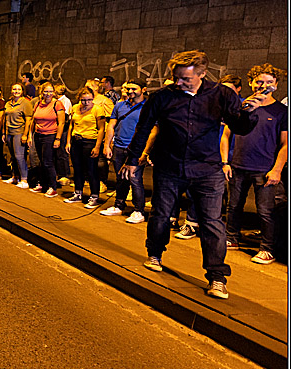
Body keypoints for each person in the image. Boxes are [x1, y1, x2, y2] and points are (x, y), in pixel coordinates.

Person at [122, 50, 260, 300]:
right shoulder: (162, 97)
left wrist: (248, 113)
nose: (178, 83)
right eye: (176, 78)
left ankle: (217, 277)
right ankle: (155, 253)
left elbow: (239, 127)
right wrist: (133, 160)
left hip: (207, 169)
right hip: (170, 166)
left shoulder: (221, 95)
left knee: (212, 224)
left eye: (185, 79)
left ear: (202, 74)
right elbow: (143, 128)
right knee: (162, 214)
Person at [222, 64, 287, 264]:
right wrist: (225, 162)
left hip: (264, 169)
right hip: (238, 166)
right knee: (233, 206)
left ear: (276, 85)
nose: (263, 86)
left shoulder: (281, 111)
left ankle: (267, 249)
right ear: (251, 83)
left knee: (266, 211)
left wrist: (276, 170)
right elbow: (226, 135)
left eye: (269, 82)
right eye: (259, 81)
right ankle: (231, 238)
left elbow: (286, 144)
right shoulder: (241, 106)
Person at [100, 79, 151, 223]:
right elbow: (111, 126)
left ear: (144, 89)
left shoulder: (148, 107)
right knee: (120, 178)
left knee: (135, 180)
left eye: (134, 89)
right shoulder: (120, 105)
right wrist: (107, 145)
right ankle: (118, 205)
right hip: (119, 147)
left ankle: (138, 211)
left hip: (136, 150)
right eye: (128, 89)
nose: (130, 91)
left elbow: (154, 130)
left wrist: (146, 152)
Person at [63, 88, 109, 207]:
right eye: (83, 100)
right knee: (77, 169)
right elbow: (71, 126)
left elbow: (101, 129)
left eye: (89, 100)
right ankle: (78, 193)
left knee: (91, 170)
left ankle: (94, 196)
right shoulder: (75, 108)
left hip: (90, 141)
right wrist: (68, 142)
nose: (86, 102)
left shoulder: (97, 110)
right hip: (76, 140)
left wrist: (97, 146)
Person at [25, 82, 65, 198]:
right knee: (41, 162)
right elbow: (33, 120)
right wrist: (29, 136)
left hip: (50, 136)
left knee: (48, 162)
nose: (48, 94)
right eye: (46, 91)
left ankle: (53, 187)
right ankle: (42, 184)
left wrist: (58, 138)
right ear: (41, 92)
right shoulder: (38, 104)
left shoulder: (57, 104)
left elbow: (61, 123)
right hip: (38, 135)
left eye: (50, 91)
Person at [1, 84, 33, 187]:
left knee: (20, 156)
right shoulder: (8, 103)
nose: (16, 91)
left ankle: (24, 179)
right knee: (13, 157)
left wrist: (25, 135)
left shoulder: (26, 103)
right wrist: (4, 133)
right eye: (14, 89)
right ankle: (15, 177)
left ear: (22, 91)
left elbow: (28, 120)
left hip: (19, 132)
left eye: (19, 89)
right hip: (9, 133)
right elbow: (5, 119)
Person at [53, 84, 72, 185]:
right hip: (56, 128)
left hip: (63, 129)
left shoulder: (65, 101)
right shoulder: (57, 101)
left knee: (62, 153)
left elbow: (65, 116)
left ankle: (64, 174)